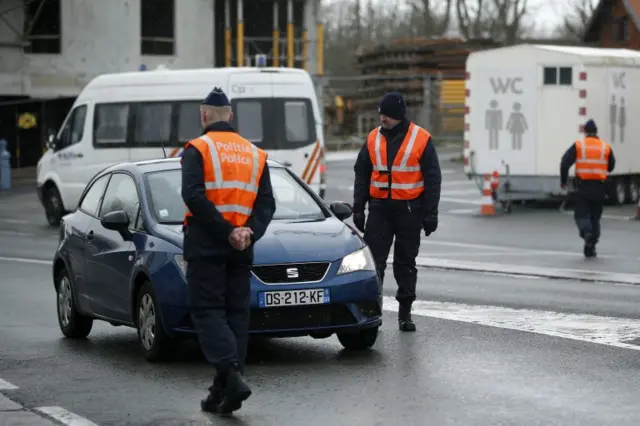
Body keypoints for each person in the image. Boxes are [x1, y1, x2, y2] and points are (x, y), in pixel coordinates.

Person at [181, 87, 276, 414]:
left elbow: (194, 197)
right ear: (231, 116)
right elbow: (267, 203)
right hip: (242, 248)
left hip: (208, 244)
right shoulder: (254, 153)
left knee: (207, 312)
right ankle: (221, 390)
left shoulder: (198, 148)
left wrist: (227, 231)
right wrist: (248, 232)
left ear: (204, 115)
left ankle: (232, 378)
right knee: (236, 315)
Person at [352, 91, 442, 332]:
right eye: (382, 114)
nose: (383, 120)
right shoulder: (372, 139)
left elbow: (433, 178)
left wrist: (431, 213)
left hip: (409, 211)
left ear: (400, 117)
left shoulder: (421, 139)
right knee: (374, 264)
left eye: (389, 116)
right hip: (379, 210)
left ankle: (405, 313)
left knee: (405, 263)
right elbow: (361, 175)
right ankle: (372, 312)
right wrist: (358, 209)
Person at [560, 119, 615, 258]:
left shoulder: (579, 145)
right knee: (595, 217)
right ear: (596, 132)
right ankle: (591, 246)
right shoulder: (605, 147)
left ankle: (587, 234)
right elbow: (611, 166)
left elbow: (565, 163)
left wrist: (564, 181)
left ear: (585, 132)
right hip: (600, 188)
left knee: (581, 215)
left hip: (583, 186)